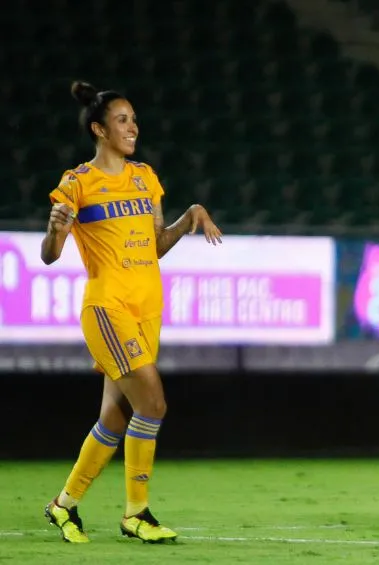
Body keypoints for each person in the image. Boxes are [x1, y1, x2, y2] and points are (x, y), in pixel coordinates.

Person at [42, 81, 222, 544]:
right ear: (100, 129)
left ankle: (64, 505)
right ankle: (136, 513)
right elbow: (49, 254)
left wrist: (189, 217)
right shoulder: (77, 183)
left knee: (116, 419)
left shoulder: (146, 177)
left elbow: (156, 244)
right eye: (123, 120)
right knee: (154, 402)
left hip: (147, 309)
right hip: (107, 308)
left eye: (134, 120)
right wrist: (54, 229)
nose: (133, 127)